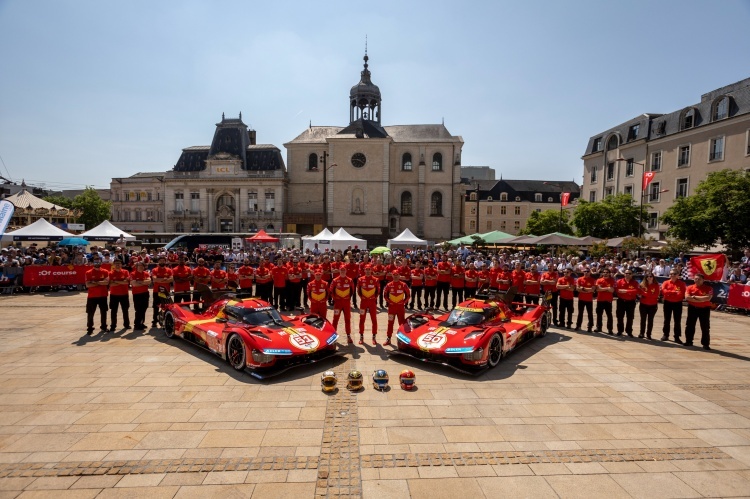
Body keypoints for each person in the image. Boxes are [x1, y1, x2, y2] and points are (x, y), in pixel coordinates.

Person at [685, 273, 713, 350]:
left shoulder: (708, 288)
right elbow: (687, 297)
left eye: (699, 279)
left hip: (704, 309)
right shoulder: (690, 287)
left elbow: (708, 298)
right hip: (692, 308)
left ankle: (705, 343)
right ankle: (689, 341)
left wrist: (694, 297)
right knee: (690, 325)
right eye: (696, 279)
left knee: (705, 327)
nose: (697, 280)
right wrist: (700, 299)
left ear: (703, 280)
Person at [383, 272, 410, 346]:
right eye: (394, 275)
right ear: (392, 276)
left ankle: (403, 340)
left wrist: (404, 302)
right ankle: (388, 338)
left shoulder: (403, 285)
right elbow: (385, 295)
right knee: (390, 323)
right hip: (391, 308)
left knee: (401, 324)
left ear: (399, 276)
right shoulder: (389, 285)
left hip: (400, 308)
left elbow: (408, 295)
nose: (395, 277)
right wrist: (389, 302)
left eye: (397, 275)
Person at [85, 256, 110, 335]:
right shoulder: (88, 272)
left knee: (103, 312)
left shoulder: (105, 271)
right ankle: (90, 327)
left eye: (98, 262)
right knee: (90, 312)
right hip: (92, 296)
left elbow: (106, 283)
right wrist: (100, 282)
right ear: (92, 263)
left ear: (101, 263)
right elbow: (88, 285)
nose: (97, 264)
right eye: (95, 262)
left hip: (103, 295)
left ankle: (103, 326)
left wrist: (94, 282)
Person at [660, 270, 687, 343]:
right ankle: (665, 334)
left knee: (677, 321)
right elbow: (663, 292)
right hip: (667, 303)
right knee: (667, 319)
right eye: (671, 274)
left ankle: (677, 336)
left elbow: (681, 294)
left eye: (674, 274)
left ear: (678, 275)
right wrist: (674, 292)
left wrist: (669, 293)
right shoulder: (666, 282)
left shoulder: (681, 284)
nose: (672, 275)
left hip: (677, 303)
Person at [330, 267, 354, 343]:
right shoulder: (335, 280)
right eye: (341, 270)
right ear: (339, 271)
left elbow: (352, 291)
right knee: (335, 319)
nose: (343, 272)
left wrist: (347, 299)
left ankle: (348, 336)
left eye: (344, 270)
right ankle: (333, 336)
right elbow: (331, 291)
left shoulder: (350, 280)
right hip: (338, 303)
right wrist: (336, 299)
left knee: (347, 319)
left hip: (346, 303)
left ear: (346, 271)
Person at [357, 265, 380, 344]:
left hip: (372, 302)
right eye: (366, 270)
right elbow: (358, 291)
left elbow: (378, 291)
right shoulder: (360, 279)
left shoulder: (375, 280)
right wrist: (362, 298)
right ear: (364, 270)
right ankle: (361, 337)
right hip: (363, 302)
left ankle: (374, 337)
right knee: (362, 319)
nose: (367, 271)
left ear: (371, 270)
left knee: (374, 319)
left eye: (369, 270)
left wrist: (373, 298)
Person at [108, 259, 131, 331]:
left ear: (121, 264)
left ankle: (126, 324)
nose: (118, 265)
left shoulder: (126, 272)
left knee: (125, 310)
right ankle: (113, 325)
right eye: (116, 263)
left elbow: (127, 282)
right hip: (114, 295)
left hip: (124, 294)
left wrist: (116, 281)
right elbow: (110, 284)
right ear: (113, 265)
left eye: (119, 263)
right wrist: (121, 281)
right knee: (113, 311)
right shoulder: (110, 273)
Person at [151, 255, 173, 327]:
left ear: (165, 261)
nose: (162, 262)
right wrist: (165, 279)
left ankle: (166, 320)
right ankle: (154, 321)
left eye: (163, 261)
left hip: (166, 291)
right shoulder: (154, 270)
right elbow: (154, 279)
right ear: (158, 261)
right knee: (156, 306)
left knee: (167, 306)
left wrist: (160, 279)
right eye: (160, 261)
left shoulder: (169, 270)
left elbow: (171, 279)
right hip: (157, 291)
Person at [615, 270, 639, 337]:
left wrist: (626, 291)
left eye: (629, 273)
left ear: (632, 275)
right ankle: (620, 331)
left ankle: (629, 331)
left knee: (630, 317)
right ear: (624, 274)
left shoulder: (635, 282)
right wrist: (630, 292)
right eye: (626, 273)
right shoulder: (619, 281)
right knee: (620, 316)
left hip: (631, 302)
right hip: (621, 301)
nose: (627, 274)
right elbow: (617, 290)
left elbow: (636, 291)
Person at [638, 273, 660, 339]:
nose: (649, 277)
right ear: (646, 277)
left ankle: (649, 334)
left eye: (651, 276)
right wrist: (648, 294)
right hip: (643, 305)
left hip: (653, 305)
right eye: (648, 276)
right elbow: (639, 293)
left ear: (653, 278)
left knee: (650, 320)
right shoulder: (642, 285)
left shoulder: (656, 285)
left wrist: (645, 294)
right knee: (643, 320)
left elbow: (656, 295)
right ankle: (642, 333)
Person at [130, 262, 151, 330]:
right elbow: (134, 284)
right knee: (138, 309)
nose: (141, 267)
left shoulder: (146, 273)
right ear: (136, 266)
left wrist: (139, 281)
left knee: (144, 308)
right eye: (139, 265)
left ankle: (141, 322)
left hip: (145, 293)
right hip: (137, 294)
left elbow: (149, 282)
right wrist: (144, 282)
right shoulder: (133, 273)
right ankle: (137, 324)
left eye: (142, 265)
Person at [594, 268, 615, 335]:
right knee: (599, 314)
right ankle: (599, 327)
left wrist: (603, 289)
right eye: (604, 272)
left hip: (608, 300)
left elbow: (612, 290)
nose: (605, 273)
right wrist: (607, 289)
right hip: (600, 300)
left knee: (609, 315)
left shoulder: (612, 280)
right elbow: (598, 289)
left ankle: (610, 329)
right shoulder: (599, 280)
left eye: (607, 272)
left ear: (609, 273)